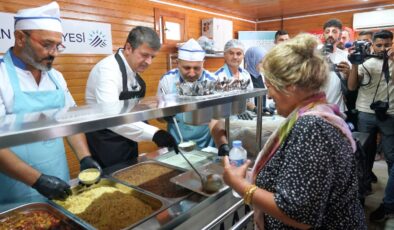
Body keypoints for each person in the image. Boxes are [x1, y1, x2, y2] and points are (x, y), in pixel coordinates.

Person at [223, 33, 366, 229]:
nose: (270, 96)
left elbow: (299, 215)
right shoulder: (319, 113)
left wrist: (239, 184)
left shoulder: (312, 128)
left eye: (270, 87)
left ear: (289, 86)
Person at [0, 2, 101, 205]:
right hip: (15, 186)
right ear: (20, 38)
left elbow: (69, 121)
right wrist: (37, 180)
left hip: (58, 176)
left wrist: (84, 157)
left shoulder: (56, 77)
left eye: (57, 46)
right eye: (47, 45)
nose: (53, 53)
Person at [85, 26, 178, 169]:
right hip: (105, 141)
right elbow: (112, 117)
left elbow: (131, 108)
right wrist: (155, 133)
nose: (149, 62)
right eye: (145, 55)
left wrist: (159, 113)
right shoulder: (107, 71)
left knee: (130, 173)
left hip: (127, 137)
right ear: (128, 48)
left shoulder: (132, 71)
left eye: (152, 57)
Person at [348, 29, 394, 222]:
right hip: (365, 112)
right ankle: (360, 195)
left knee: (392, 158)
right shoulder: (364, 61)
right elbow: (351, 87)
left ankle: (389, 203)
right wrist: (354, 65)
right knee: (363, 157)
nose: (383, 49)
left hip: (390, 113)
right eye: (379, 45)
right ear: (372, 45)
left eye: (387, 45)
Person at [157, 38, 217, 149]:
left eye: (197, 68)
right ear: (178, 63)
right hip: (177, 142)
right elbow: (159, 117)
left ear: (203, 64)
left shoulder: (212, 81)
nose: (192, 73)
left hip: (207, 144)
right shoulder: (167, 80)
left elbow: (217, 118)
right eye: (187, 68)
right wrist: (164, 115)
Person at [215, 39, 255, 112]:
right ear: (224, 54)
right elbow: (216, 104)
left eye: (239, 54)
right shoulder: (217, 76)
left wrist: (256, 109)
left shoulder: (246, 74)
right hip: (225, 119)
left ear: (243, 56)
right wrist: (238, 108)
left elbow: (250, 99)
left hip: (246, 118)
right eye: (231, 53)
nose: (235, 57)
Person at [321, 18, 351, 113]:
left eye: (334, 31)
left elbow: (351, 84)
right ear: (323, 35)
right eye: (327, 31)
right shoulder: (313, 54)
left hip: (339, 108)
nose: (330, 34)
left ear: (340, 35)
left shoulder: (346, 56)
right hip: (316, 108)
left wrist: (348, 73)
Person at [244, 46, 274, 114]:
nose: (264, 64)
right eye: (260, 62)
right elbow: (242, 101)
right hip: (250, 116)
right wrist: (255, 109)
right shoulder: (244, 77)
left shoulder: (261, 76)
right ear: (251, 60)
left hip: (262, 114)